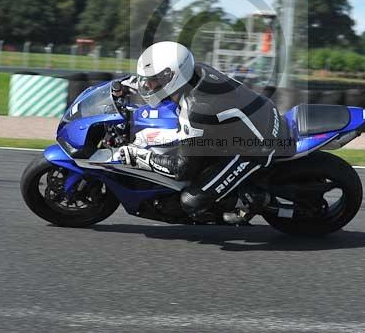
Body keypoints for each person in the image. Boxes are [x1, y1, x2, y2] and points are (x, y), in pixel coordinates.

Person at [111, 41, 290, 221]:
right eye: (147, 79)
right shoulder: (196, 70)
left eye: (154, 79)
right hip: (257, 117)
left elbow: (182, 170)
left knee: (192, 200)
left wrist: (139, 157)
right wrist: (126, 84)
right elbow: (155, 85)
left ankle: (255, 199)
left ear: (173, 76)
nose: (148, 85)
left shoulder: (197, 109)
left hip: (257, 147)